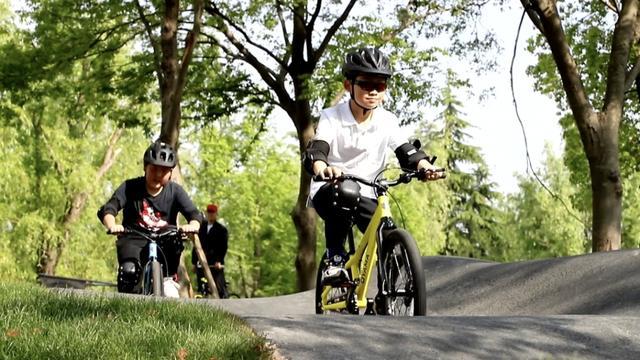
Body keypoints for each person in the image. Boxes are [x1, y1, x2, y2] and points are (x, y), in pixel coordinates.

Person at [302, 46, 442, 286]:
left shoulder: (387, 120)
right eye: (366, 84)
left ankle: (385, 298)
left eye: (380, 86)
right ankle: (335, 259)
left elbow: (406, 151)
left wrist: (423, 166)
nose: (373, 92)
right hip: (331, 189)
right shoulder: (331, 116)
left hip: (369, 192)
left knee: (396, 250)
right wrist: (322, 168)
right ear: (349, 86)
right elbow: (318, 149)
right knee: (345, 190)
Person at [97, 140, 202, 297]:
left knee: (169, 290)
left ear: (171, 173)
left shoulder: (175, 191)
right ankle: (127, 309)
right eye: (154, 169)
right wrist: (112, 225)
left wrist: (192, 225)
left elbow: (194, 215)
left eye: (164, 171)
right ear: (145, 167)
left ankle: (167, 281)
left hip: (166, 240)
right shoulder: (130, 187)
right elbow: (109, 209)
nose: (158, 175)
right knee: (129, 272)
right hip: (135, 238)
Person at [192, 203, 229, 298]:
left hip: (215, 265)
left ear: (216, 214)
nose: (211, 214)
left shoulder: (222, 230)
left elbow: (223, 248)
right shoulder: (200, 228)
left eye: (213, 213)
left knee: (219, 289)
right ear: (206, 213)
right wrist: (194, 262)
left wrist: (219, 261)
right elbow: (195, 245)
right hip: (201, 263)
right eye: (209, 212)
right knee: (202, 289)